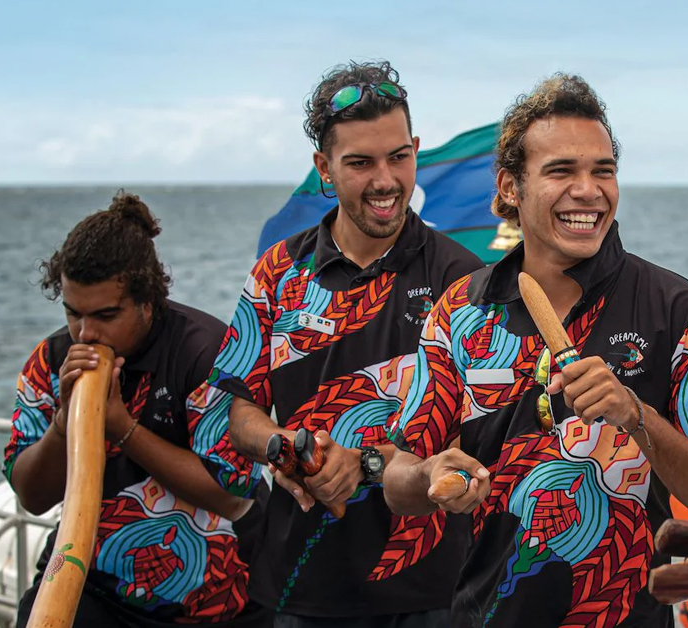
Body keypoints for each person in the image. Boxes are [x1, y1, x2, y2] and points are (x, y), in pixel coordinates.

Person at [382, 74, 688, 628]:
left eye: (603, 170)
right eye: (561, 171)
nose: (589, 190)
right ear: (510, 187)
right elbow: (399, 482)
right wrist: (431, 473)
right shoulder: (458, 311)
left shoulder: (680, 310)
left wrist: (637, 416)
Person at [186, 60, 483, 627]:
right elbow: (240, 410)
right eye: (360, 162)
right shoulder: (277, 271)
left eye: (399, 156)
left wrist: (363, 463)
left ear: (416, 148)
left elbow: (476, 440)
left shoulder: (464, 280)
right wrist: (282, 447)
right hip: (300, 584)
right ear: (324, 167)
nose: (385, 180)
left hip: (431, 590)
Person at [5, 192, 270, 626]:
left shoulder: (207, 354)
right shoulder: (52, 359)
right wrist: (62, 424)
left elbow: (232, 495)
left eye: (106, 315)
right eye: (74, 313)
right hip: (93, 584)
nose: (86, 333)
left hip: (221, 600)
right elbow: (32, 497)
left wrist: (121, 427)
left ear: (148, 301)